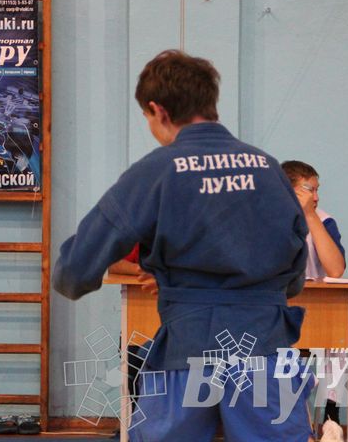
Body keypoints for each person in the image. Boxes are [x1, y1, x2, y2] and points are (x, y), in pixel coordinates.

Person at [53, 50, 313, 442]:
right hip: (263, 346)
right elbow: (294, 275)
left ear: (157, 110)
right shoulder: (269, 169)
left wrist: (182, 283)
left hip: (189, 349)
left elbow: (74, 272)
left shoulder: (155, 172)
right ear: (210, 103)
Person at [281, 160, 347, 427]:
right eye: (311, 189)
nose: (317, 197)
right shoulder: (263, 218)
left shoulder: (324, 220)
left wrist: (310, 217)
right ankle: (296, 420)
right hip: (277, 310)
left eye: (318, 190)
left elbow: (336, 269)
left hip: (315, 313)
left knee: (340, 340)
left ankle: (331, 416)